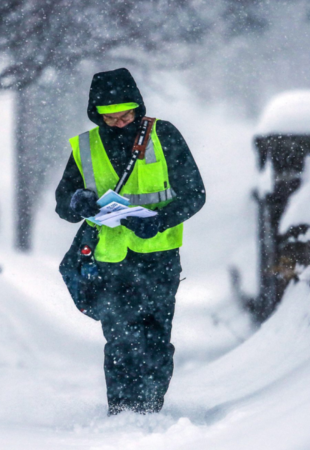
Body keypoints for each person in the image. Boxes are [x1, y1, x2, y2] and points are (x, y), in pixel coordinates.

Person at [55, 68, 206, 415]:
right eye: (111, 117)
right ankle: (121, 411)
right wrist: (76, 202)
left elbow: (195, 194)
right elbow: (63, 203)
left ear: (138, 107)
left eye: (126, 114)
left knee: (154, 337)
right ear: (97, 113)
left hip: (158, 256)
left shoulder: (163, 135)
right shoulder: (85, 145)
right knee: (120, 339)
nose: (120, 122)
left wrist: (160, 222)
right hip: (110, 259)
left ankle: (149, 408)